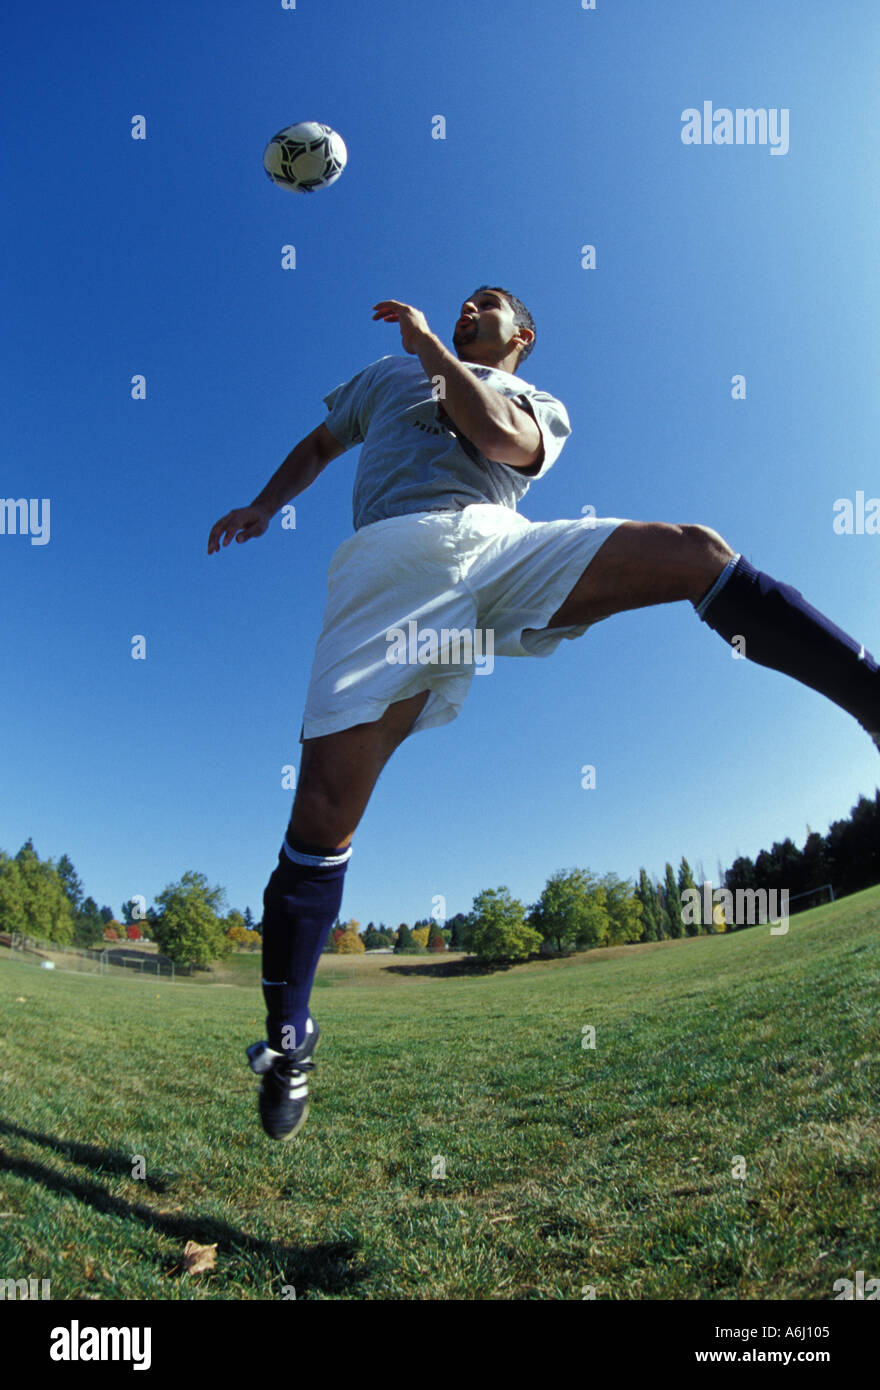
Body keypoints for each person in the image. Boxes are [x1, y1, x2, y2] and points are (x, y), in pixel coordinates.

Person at [207, 285, 879, 1141]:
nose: (465, 309)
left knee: (694, 553)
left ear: (522, 334)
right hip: (387, 570)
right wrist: (267, 504)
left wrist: (434, 355)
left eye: (486, 305)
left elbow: (497, 438)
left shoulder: (537, 401)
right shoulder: (385, 375)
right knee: (322, 819)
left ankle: (874, 704)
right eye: (460, 305)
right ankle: (290, 1040)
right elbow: (318, 442)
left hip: (496, 544)